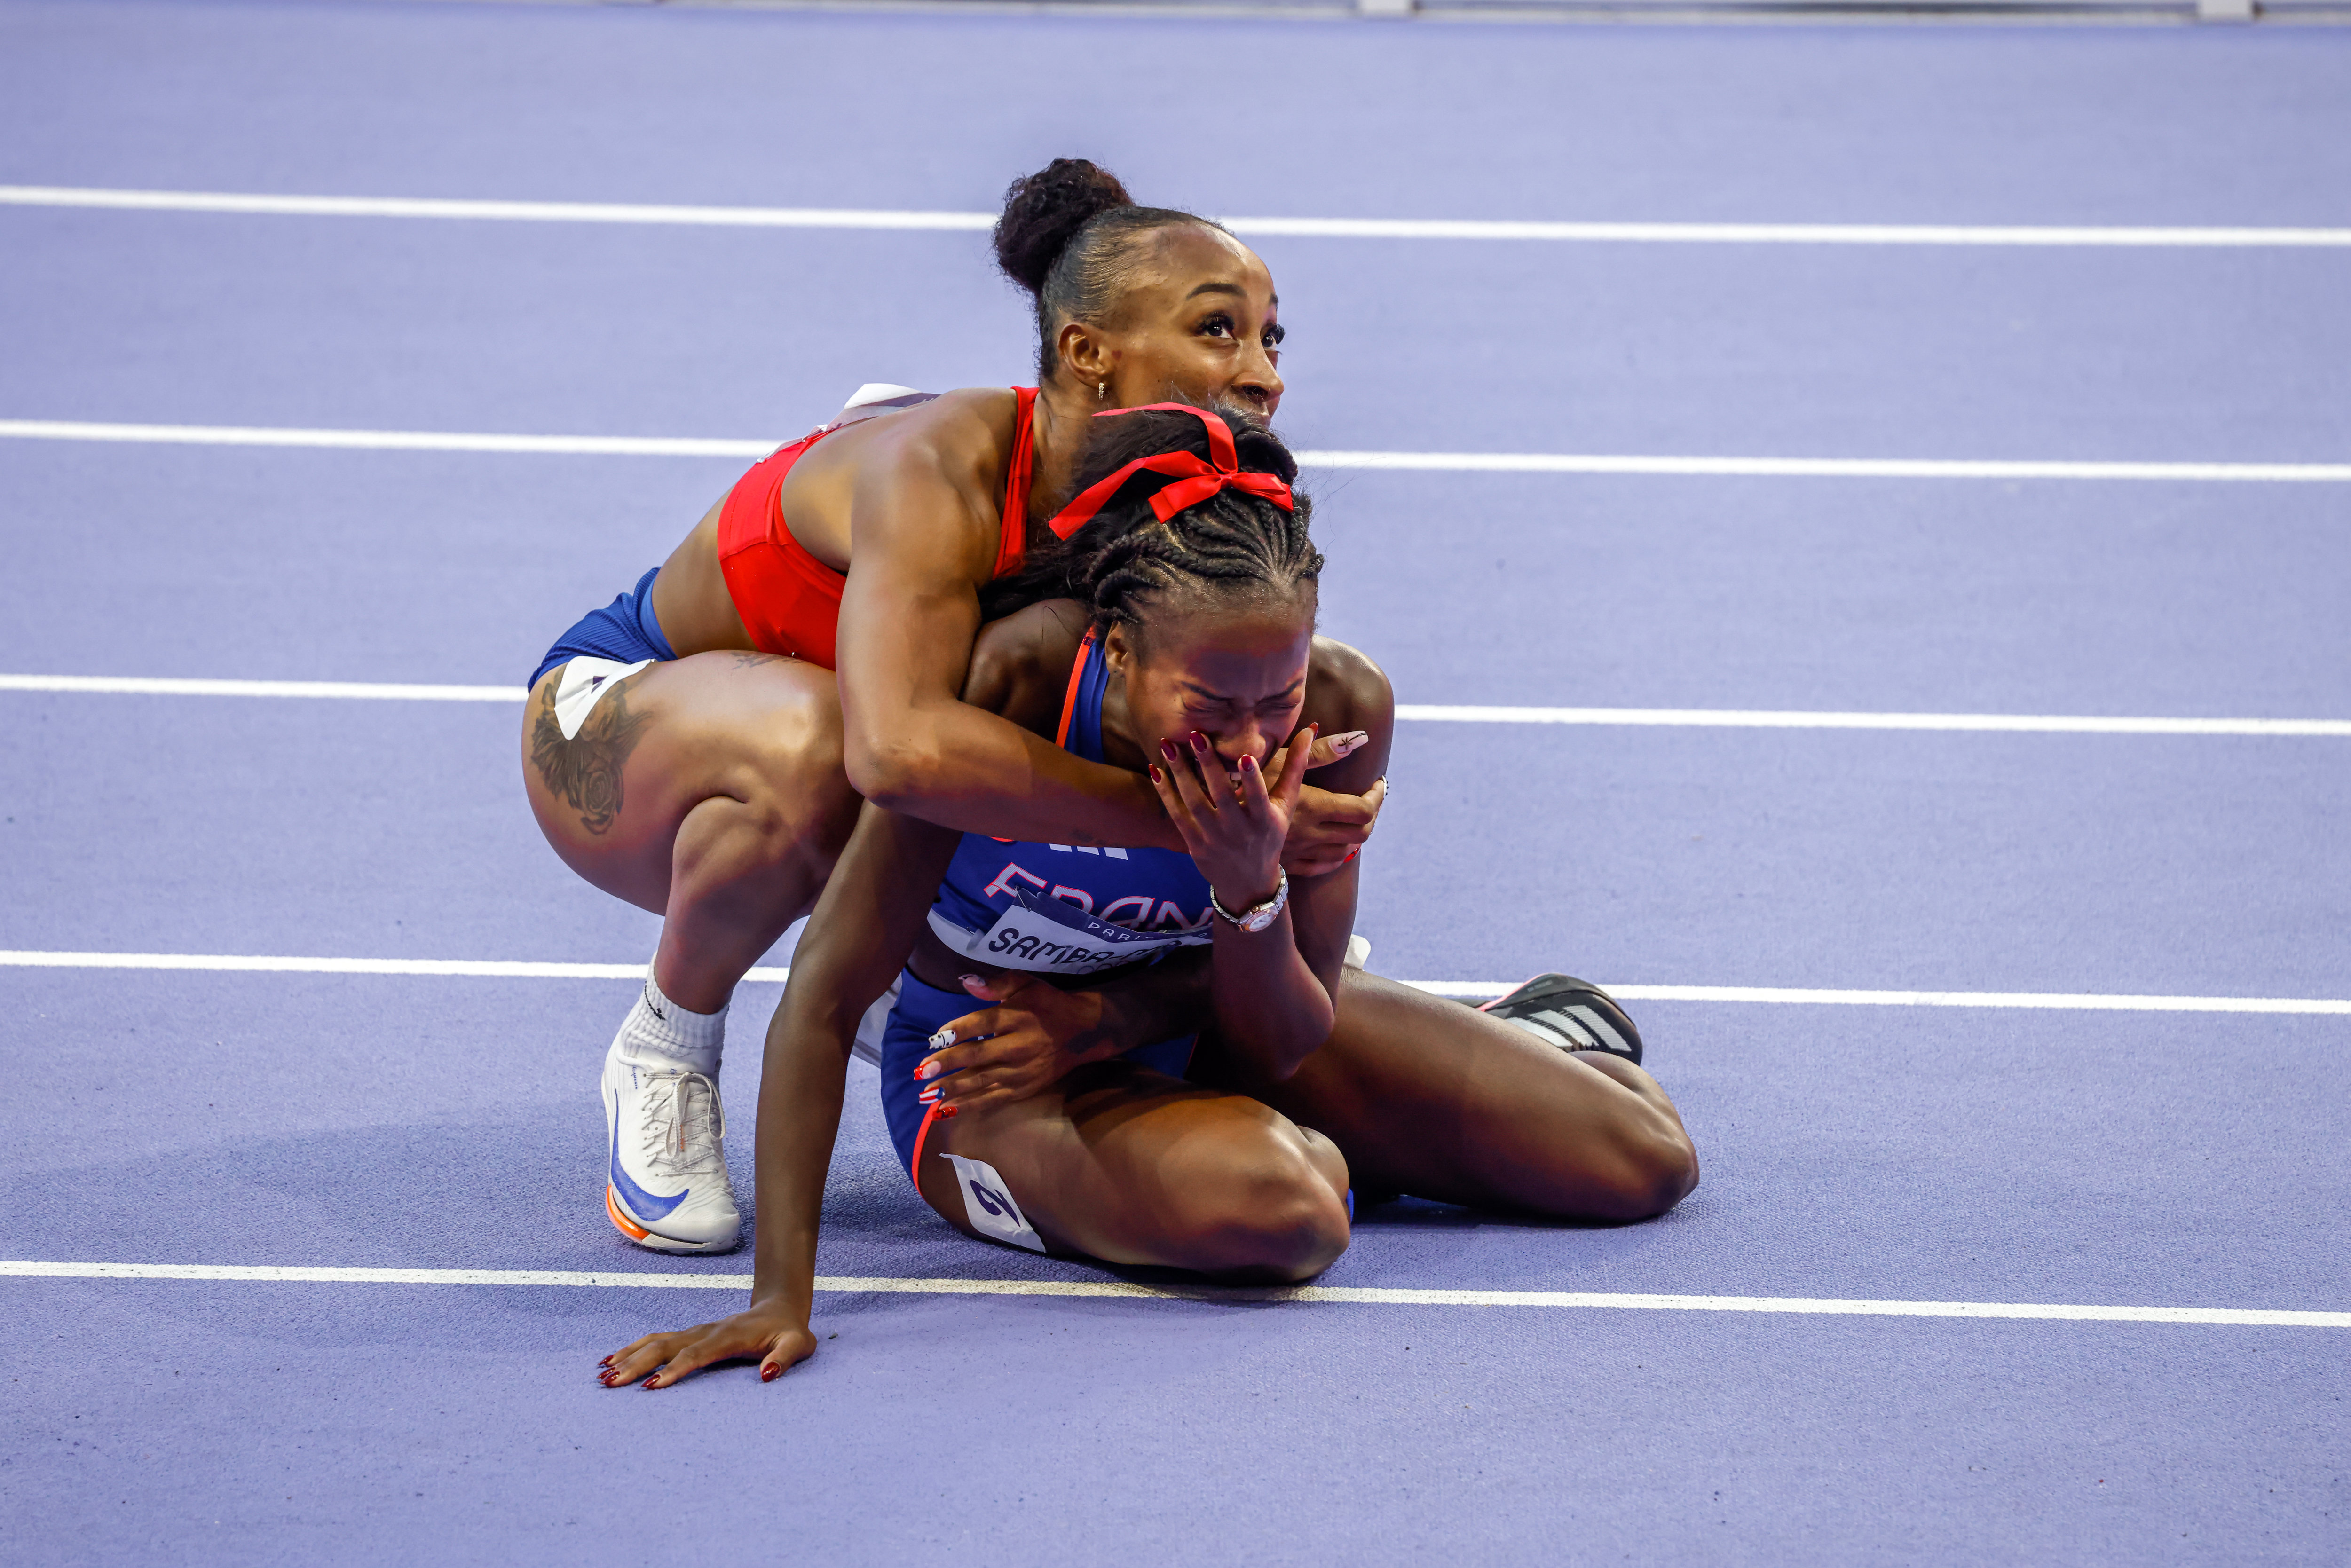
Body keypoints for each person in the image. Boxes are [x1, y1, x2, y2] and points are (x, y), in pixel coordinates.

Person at [597, 405, 1701, 1390]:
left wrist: (1239, 895)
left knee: (1645, 1160)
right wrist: (779, 1296)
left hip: (1213, 1028)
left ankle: (1444, 1062)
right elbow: (825, 1000)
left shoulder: (1343, 710)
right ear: (1117, 648)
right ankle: (1425, 1081)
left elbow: (1282, 1038)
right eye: (1213, 702)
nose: (1252, 738)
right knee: (1289, 1206)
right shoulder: (1014, 688)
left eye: (1278, 692)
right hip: (987, 1070)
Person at [518, 160, 1385, 1254]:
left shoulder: (1151, 514)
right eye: (1219, 333)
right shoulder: (944, 468)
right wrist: (1209, 832)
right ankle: (668, 1039)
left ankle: (917, 980)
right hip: (619, 722)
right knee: (839, 745)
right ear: (1087, 352)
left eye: (1271, 340)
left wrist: (1256, 902)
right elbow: (896, 755)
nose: (1260, 375)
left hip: (824, 742)